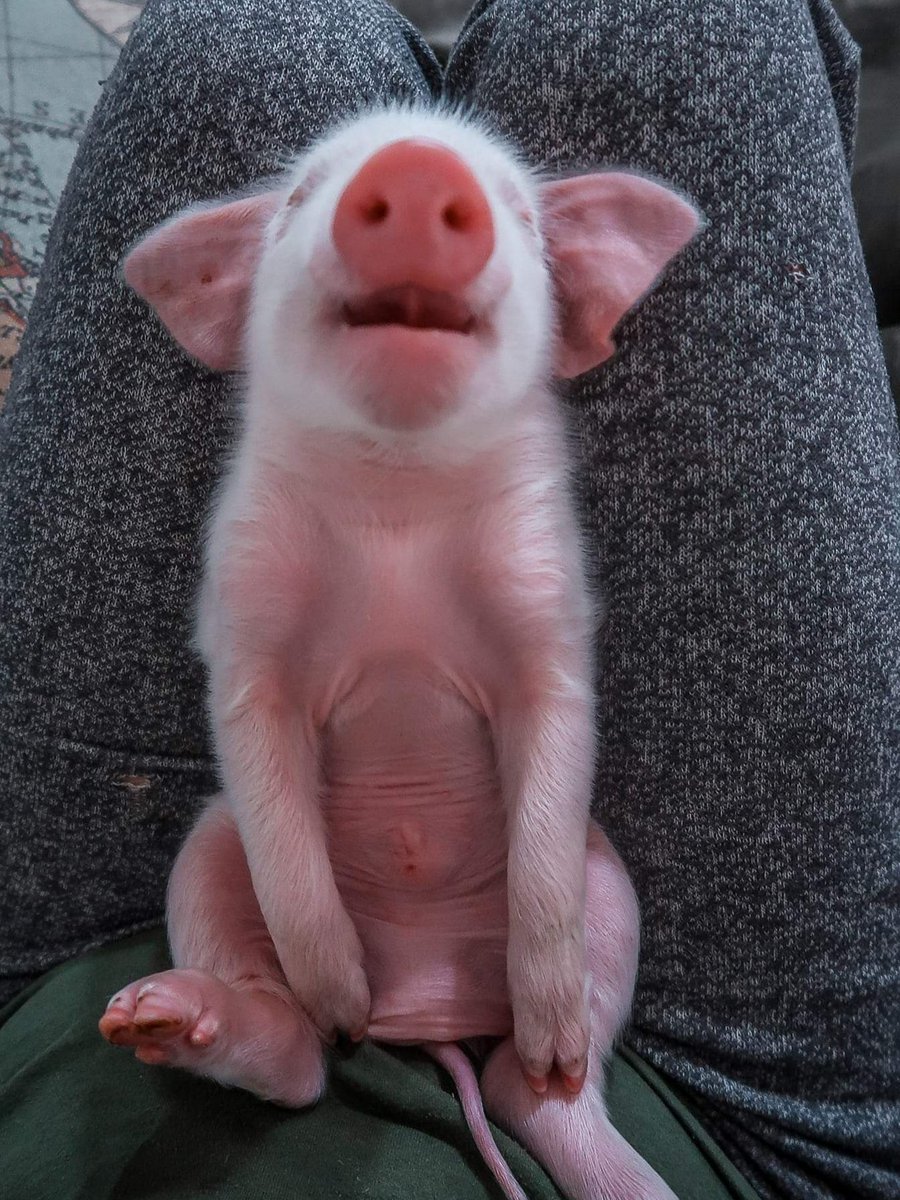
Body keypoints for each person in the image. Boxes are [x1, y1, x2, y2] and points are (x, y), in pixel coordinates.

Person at [0, 1, 896, 1197]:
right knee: (677, 22)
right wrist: (309, 949)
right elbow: (270, 703)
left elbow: (531, 698)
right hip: (758, 1131)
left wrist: (545, 949)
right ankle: (287, 1039)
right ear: (218, 290)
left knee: (236, 44)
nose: (411, 204)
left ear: (584, 305)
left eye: (512, 220)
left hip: (57, 1019)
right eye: (333, 200)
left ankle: (549, 1087)